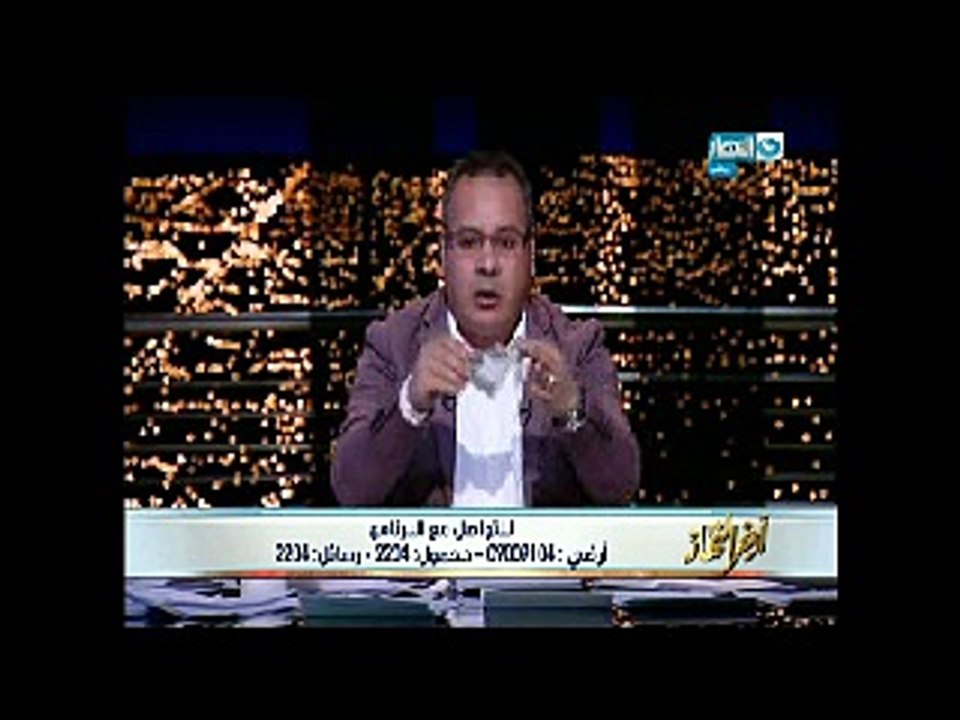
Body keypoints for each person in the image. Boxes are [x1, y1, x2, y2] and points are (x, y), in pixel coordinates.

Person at [332, 150, 640, 506]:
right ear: (444, 252)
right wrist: (410, 404)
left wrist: (573, 413)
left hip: (538, 546)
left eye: (506, 242)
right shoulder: (394, 344)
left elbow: (621, 487)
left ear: (530, 253)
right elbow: (351, 490)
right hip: (437, 546)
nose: (488, 264)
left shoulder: (577, 347)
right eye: (469, 242)